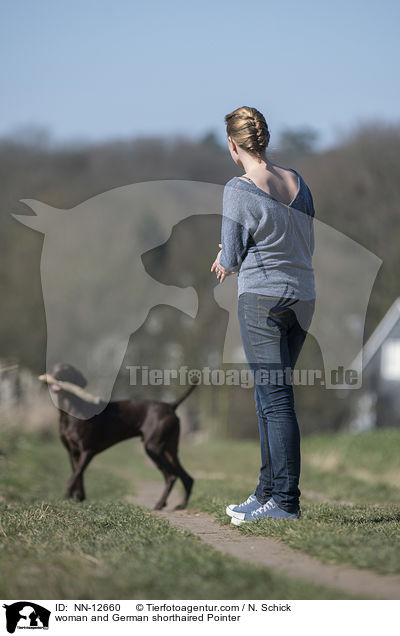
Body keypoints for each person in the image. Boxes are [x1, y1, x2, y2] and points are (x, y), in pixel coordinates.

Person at [211, 106, 316, 523]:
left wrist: (224, 256)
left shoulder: (238, 188)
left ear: (233, 145)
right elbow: (305, 238)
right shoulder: (297, 180)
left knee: (275, 400)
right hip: (303, 297)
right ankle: (266, 492)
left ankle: (286, 503)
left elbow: (233, 255)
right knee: (268, 397)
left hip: (262, 300)